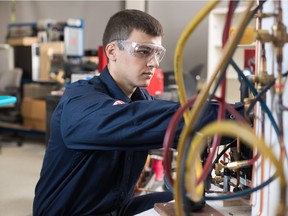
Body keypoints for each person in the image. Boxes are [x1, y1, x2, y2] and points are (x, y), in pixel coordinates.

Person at [33, 9, 239, 216]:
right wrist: (236, 117)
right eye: (143, 51)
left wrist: (228, 132)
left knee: (200, 203)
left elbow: (173, 126)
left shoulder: (141, 99)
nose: (154, 63)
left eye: (157, 52)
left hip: (115, 209)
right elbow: (136, 119)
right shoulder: (78, 100)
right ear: (112, 52)